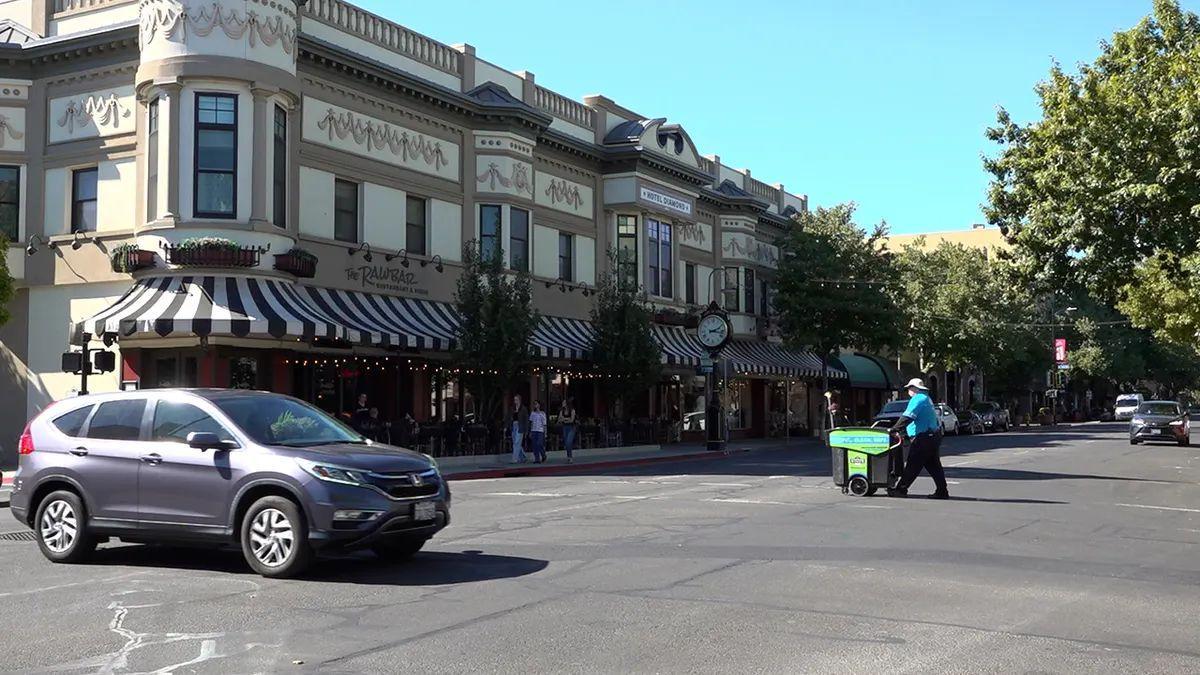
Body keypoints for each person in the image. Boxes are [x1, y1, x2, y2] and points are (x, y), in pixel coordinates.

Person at [888, 378, 949, 499]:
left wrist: (894, 429)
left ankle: (901, 489)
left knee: (913, 464)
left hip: (923, 438)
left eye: (909, 388)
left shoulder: (918, 399)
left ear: (915, 389)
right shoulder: (927, 399)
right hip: (933, 436)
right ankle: (942, 491)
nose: (908, 391)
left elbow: (908, 416)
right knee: (934, 466)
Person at [511, 394, 530, 464]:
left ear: (519, 400)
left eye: (516, 400)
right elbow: (510, 417)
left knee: (517, 442)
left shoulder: (523, 408)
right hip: (514, 425)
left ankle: (515, 459)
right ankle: (523, 456)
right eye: (514, 400)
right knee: (515, 443)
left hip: (520, 426)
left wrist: (526, 430)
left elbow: (526, 420)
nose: (515, 401)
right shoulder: (513, 408)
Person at [559, 398, 578, 463]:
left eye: (563, 403)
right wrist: (567, 419)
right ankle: (569, 456)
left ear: (567, 403)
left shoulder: (572, 410)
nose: (562, 404)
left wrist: (564, 419)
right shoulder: (562, 411)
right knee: (566, 443)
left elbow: (572, 420)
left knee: (569, 442)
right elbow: (559, 420)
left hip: (572, 427)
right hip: (565, 427)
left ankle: (570, 457)